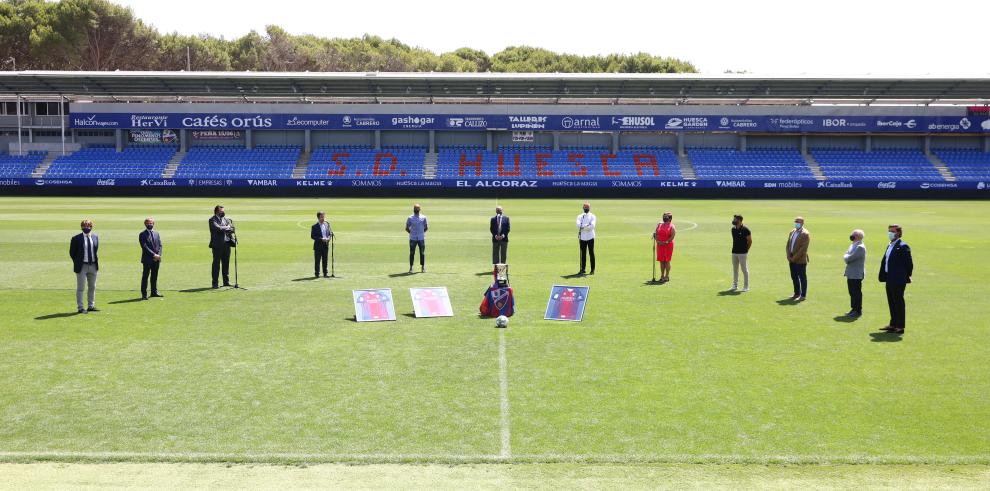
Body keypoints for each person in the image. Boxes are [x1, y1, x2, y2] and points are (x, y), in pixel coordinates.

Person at [879, 224, 913, 334]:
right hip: (889, 278)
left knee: (898, 303)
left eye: (892, 231)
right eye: (889, 231)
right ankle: (893, 324)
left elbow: (909, 264)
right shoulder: (890, 245)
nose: (890, 233)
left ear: (898, 233)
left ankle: (900, 326)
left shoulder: (903, 246)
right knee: (892, 302)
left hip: (898, 279)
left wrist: (906, 276)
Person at [69, 219, 99, 313]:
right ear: (81, 227)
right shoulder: (76, 238)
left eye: (88, 226)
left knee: (92, 287)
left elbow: (95, 249)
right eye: (84, 226)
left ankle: (91, 306)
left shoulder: (95, 237)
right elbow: (72, 253)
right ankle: (80, 308)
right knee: (81, 288)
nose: (86, 227)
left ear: (91, 227)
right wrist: (78, 262)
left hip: (93, 265)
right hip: (82, 266)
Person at [208, 205, 235, 289]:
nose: (223, 212)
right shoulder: (212, 220)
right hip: (217, 245)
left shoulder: (226, 219)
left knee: (226, 263)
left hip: (227, 244)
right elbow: (217, 228)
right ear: (216, 211)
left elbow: (232, 229)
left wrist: (227, 228)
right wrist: (227, 227)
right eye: (221, 211)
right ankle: (215, 283)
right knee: (216, 264)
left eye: (223, 211)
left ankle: (226, 282)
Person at [842, 229, 866, 317]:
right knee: (852, 292)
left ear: (858, 237)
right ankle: (853, 309)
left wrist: (846, 256)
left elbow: (848, 258)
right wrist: (846, 256)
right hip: (851, 273)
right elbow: (847, 255)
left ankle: (858, 310)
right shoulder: (853, 245)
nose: (851, 235)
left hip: (856, 274)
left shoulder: (860, 247)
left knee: (856, 292)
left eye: (854, 234)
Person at [786, 216, 810, 301]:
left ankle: (803, 295)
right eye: (795, 221)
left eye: (798, 222)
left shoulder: (805, 234)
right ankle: (796, 293)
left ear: (802, 223)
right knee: (794, 276)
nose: (796, 223)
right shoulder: (792, 232)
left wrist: (794, 258)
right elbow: (788, 245)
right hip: (791, 258)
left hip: (800, 260)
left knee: (802, 277)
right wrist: (788, 256)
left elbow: (803, 249)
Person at [139, 217, 163, 300]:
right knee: (145, 277)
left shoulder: (156, 233)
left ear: (154, 224)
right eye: (148, 223)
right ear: (145, 224)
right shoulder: (142, 234)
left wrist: (158, 255)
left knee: (154, 276)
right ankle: (144, 294)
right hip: (147, 259)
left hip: (156, 259)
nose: (150, 224)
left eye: (151, 223)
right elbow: (144, 247)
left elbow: (160, 245)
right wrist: (154, 255)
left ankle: (154, 292)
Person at [730, 214, 752, 292]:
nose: (733, 220)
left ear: (739, 220)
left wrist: (746, 250)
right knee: (735, 269)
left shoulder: (746, 230)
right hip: (734, 252)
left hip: (743, 253)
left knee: (744, 269)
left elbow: (750, 241)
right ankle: (735, 285)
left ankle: (746, 286)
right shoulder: (733, 229)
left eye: (735, 219)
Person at [653, 212, 676, 283]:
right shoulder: (659, 225)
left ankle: (667, 276)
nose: (664, 218)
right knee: (661, 261)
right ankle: (662, 275)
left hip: (668, 245)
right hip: (660, 245)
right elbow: (656, 233)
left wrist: (665, 242)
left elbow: (672, 236)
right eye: (664, 216)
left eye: (666, 216)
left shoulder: (672, 226)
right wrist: (657, 240)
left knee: (667, 261)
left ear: (670, 218)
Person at [405, 203, 428, 273]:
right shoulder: (410, 218)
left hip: (421, 238)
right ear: (413, 209)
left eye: (417, 208)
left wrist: (421, 233)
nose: (416, 210)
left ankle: (423, 267)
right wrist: (411, 233)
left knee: (422, 253)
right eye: (415, 208)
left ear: (420, 209)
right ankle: (411, 267)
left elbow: (426, 227)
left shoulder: (424, 217)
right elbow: (406, 228)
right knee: (412, 253)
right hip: (413, 238)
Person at [311, 211, 334, 278]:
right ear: (318, 218)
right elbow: (313, 236)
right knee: (317, 260)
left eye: (323, 217)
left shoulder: (327, 225)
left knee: (325, 260)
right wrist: (321, 239)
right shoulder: (314, 226)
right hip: (318, 246)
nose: (323, 218)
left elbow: (329, 234)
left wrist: (329, 238)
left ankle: (325, 273)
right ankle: (317, 274)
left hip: (325, 245)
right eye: (321, 217)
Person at [576, 202, 596, 275]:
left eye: (587, 208)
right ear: (583, 208)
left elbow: (592, 226)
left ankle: (592, 269)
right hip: (582, 238)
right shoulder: (579, 216)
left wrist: (583, 227)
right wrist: (586, 226)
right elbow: (578, 225)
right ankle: (582, 269)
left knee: (591, 253)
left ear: (589, 208)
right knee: (583, 254)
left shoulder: (592, 216)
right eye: (585, 208)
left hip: (590, 237)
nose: (586, 209)